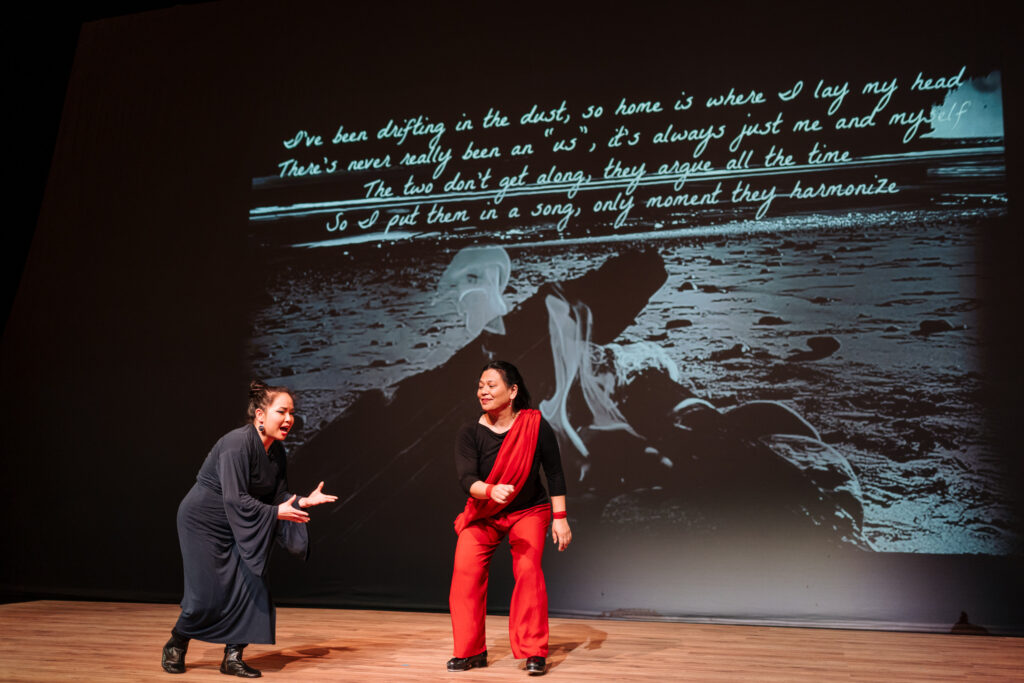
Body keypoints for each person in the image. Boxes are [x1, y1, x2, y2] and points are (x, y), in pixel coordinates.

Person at [161, 381, 337, 677]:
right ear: (259, 415)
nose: (289, 419)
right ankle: (177, 643)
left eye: (292, 413)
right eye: (282, 411)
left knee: (253, 585)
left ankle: (233, 656)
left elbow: (278, 496)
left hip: (242, 521)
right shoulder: (236, 444)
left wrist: (302, 501)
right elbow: (234, 497)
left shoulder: (277, 452)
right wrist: (274, 512)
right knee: (205, 594)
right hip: (204, 522)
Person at [448, 361, 571, 675]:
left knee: (528, 570)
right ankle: (470, 652)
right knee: (465, 572)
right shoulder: (469, 432)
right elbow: (466, 480)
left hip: (527, 510)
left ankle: (534, 652)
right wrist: (489, 491)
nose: (483, 391)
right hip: (484, 513)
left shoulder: (534, 425)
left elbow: (554, 474)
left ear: (512, 391)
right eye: (480, 386)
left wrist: (560, 518)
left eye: (491, 385)